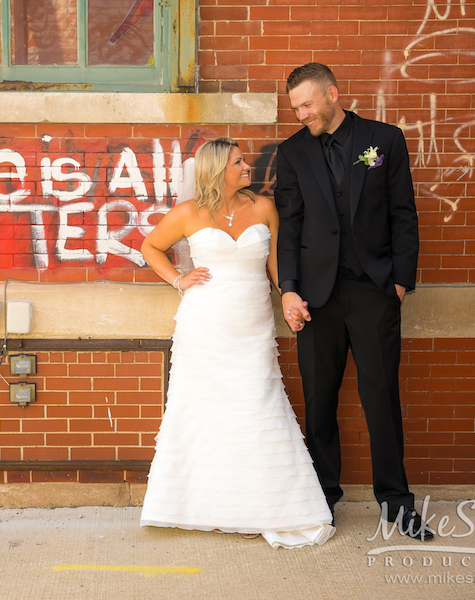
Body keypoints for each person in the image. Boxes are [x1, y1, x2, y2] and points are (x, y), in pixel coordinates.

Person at [139, 138, 335, 549]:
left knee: (256, 408)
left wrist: (289, 295)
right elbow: (150, 246)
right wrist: (178, 279)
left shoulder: (263, 207)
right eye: (238, 162)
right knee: (207, 414)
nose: (248, 167)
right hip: (204, 328)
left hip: (252, 327)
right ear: (217, 170)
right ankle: (208, 507)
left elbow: (277, 262)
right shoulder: (188, 213)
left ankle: (260, 505)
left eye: (245, 160)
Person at [273, 63, 432, 540]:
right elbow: (290, 228)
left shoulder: (383, 140)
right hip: (316, 299)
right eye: (294, 108)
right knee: (319, 399)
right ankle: (323, 497)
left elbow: (404, 213)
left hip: (373, 290)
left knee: (380, 395)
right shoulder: (292, 152)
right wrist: (289, 289)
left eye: (306, 105)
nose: (300, 115)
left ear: (332, 95)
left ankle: (395, 501)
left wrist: (400, 280)